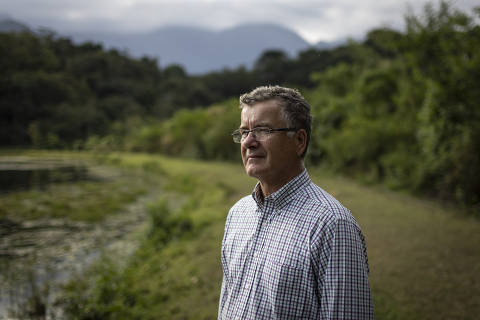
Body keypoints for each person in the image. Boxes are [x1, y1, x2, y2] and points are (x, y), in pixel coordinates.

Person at [218, 85, 374, 319]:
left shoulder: (332, 225)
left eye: (262, 130)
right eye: (243, 132)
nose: (248, 142)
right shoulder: (238, 214)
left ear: (299, 140)